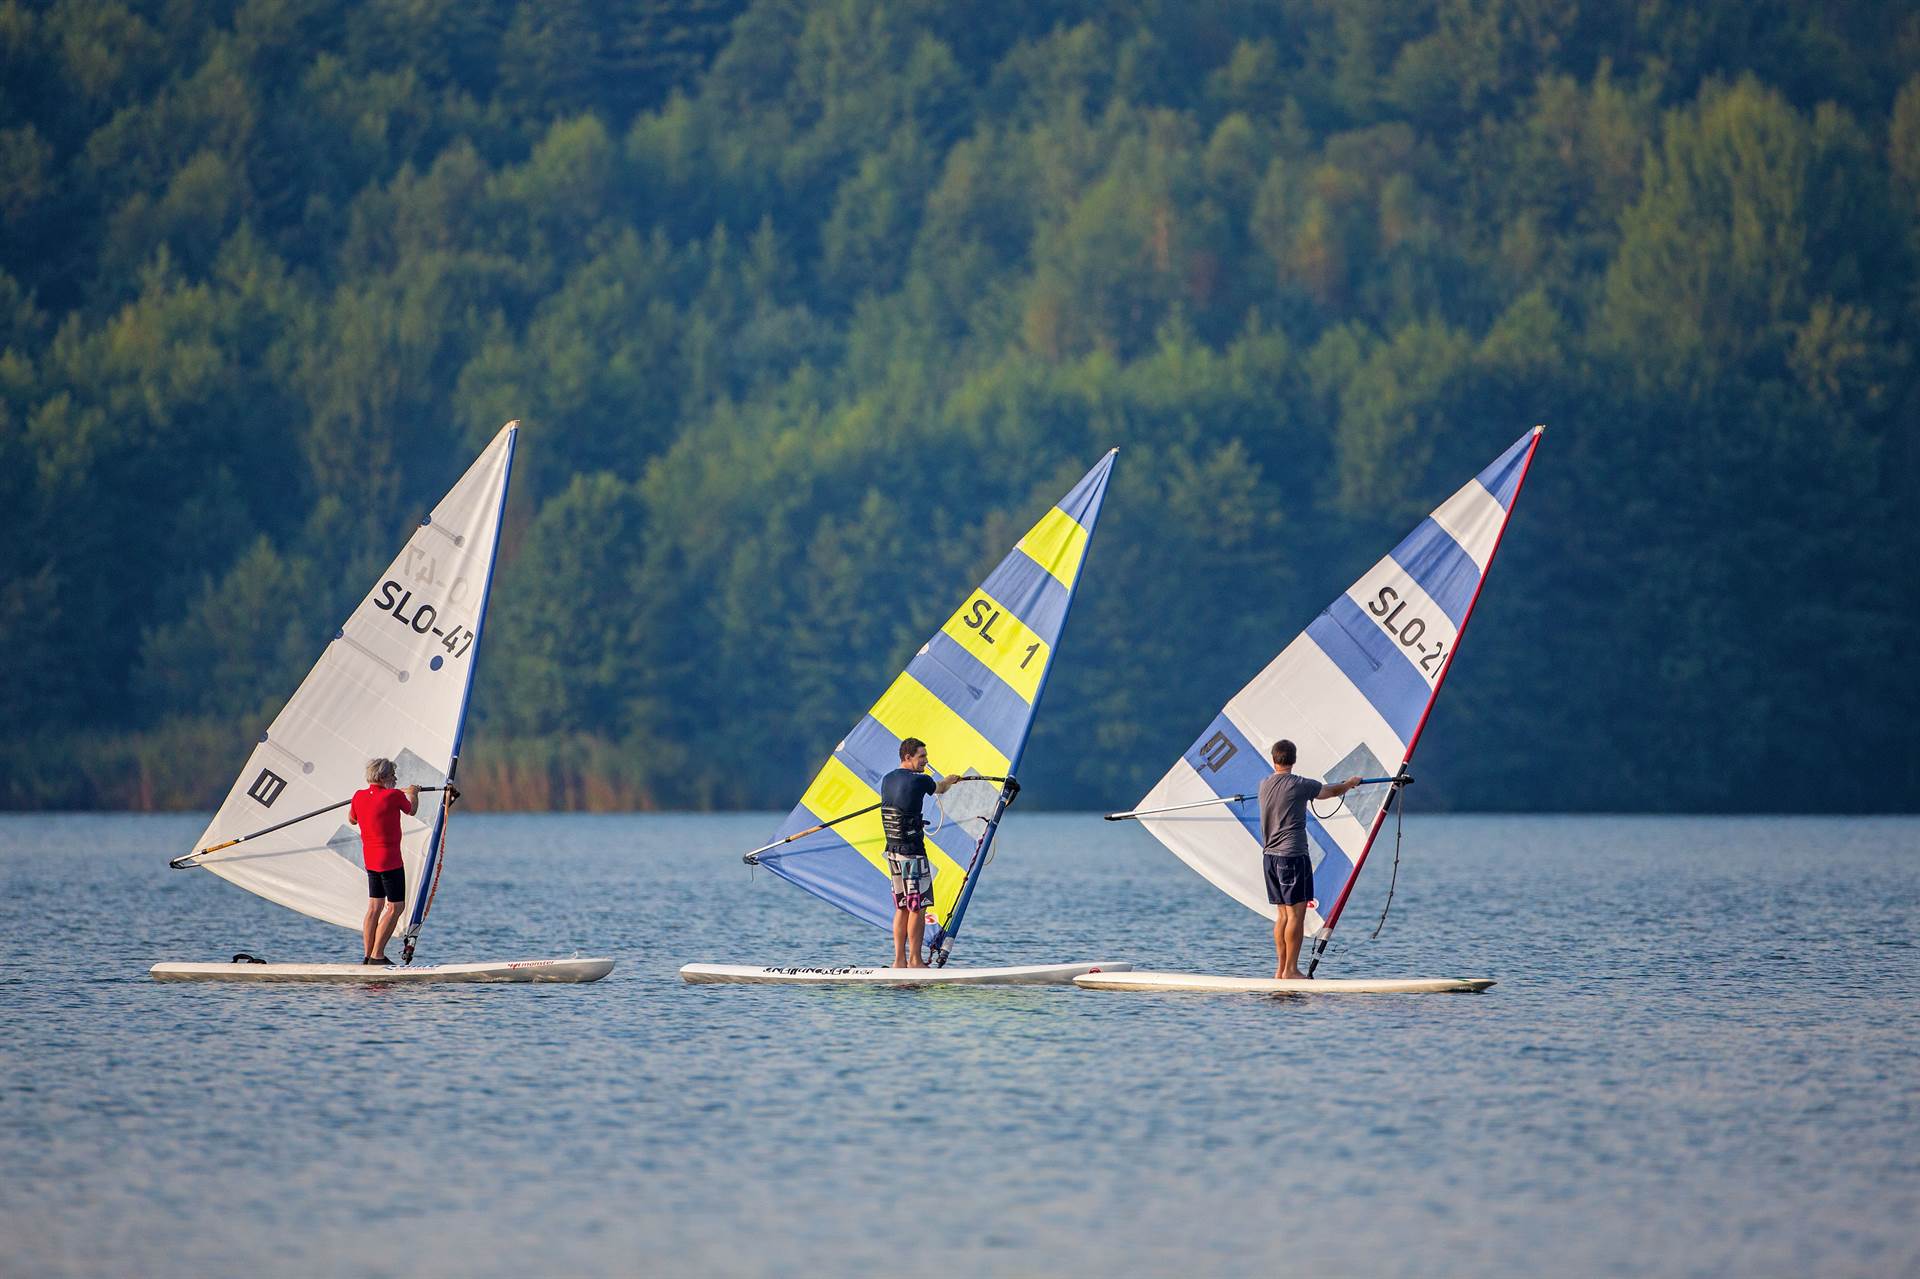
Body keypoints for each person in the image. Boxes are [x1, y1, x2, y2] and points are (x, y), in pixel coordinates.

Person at [1259, 739, 1362, 980]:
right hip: (1292, 856)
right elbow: (1330, 791)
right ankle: (1291, 971)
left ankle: (1281, 970)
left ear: (1273, 759)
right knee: (1296, 915)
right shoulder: (1299, 784)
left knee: (1283, 915)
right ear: (1294, 760)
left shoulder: (1264, 784)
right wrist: (1350, 783)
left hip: (1270, 858)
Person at [879, 737, 960, 968]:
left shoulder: (887, 779)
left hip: (893, 852)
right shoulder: (921, 780)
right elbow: (940, 788)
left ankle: (899, 961)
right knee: (918, 906)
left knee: (902, 906)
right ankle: (915, 961)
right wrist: (950, 780)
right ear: (908, 757)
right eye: (922, 756)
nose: (926, 760)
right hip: (912, 853)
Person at [348, 757, 417, 965]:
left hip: (370, 860)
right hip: (390, 861)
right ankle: (377, 955)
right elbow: (411, 809)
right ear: (384, 777)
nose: (395, 780)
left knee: (374, 907)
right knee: (396, 907)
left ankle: (368, 956)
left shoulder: (358, 796)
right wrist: (413, 793)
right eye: (393, 776)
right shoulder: (393, 795)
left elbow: (352, 819)